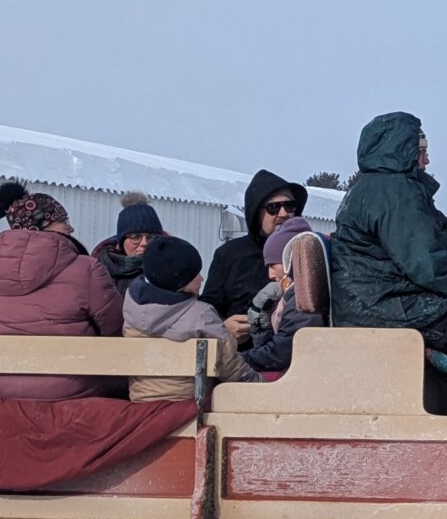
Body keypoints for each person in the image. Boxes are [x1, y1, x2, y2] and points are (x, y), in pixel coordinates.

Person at [330, 111, 447, 415]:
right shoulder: (393, 192)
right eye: (422, 151)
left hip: (380, 299)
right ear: (404, 150)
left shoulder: (377, 187)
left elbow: (438, 243)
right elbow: (425, 263)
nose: (427, 160)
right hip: (384, 305)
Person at [0, 182, 123, 400]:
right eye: (63, 221)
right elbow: (115, 329)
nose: (70, 228)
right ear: (42, 226)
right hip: (71, 388)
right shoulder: (87, 268)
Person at [120, 235, 260, 401]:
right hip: (190, 405)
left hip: (141, 403)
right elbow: (231, 368)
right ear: (178, 282)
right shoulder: (201, 315)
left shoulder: (131, 306)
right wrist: (259, 385)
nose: (201, 279)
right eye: (194, 275)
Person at [202, 171, 309, 330]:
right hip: (243, 351)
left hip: (297, 348)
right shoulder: (229, 254)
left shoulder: (310, 250)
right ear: (256, 213)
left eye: (289, 205)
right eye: (273, 208)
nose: (283, 213)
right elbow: (208, 309)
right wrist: (223, 329)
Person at [246, 224, 328, 376]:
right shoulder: (291, 296)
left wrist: (239, 360)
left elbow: (281, 353)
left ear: (289, 262)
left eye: (272, 265)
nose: (270, 274)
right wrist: (261, 325)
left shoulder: (305, 296)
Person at [92, 194, 163, 291]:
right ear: (121, 242)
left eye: (151, 237)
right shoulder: (99, 269)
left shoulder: (170, 271)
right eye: (135, 237)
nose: (144, 243)